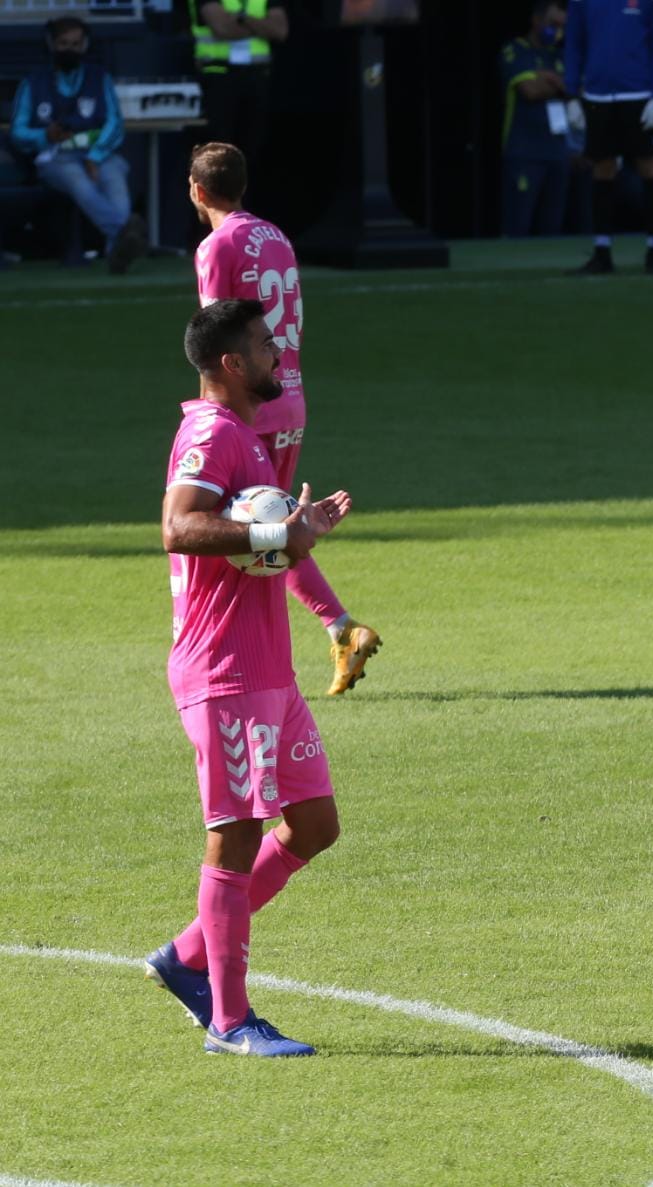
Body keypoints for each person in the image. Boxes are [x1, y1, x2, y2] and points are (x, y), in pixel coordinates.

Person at [143, 299, 351, 1057]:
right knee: (235, 837)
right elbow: (178, 525)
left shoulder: (248, 438)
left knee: (316, 825)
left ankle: (188, 955)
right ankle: (229, 1020)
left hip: (269, 670)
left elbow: (268, 548)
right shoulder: (209, 431)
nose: (277, 353)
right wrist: (273, 533)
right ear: (232, 363)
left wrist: (301, 539)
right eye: (265, 346)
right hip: (224, 671)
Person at [188, 142, 382, 696]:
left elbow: (216, 333)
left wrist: (212, 410)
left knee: (253, 528)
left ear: (198, 191)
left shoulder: (215, 246)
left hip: (249, 404)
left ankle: (310, 642)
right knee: (269, 524)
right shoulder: (276, 236)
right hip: (290, 392)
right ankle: (338, 630)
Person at [8, 16, 146, 273]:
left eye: (75, 43)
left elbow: (115, 123)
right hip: (55, 156)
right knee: (78, 181)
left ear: (84, 46)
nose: (69, 49)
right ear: (51, 45)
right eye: (63, 43)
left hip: (98, 154)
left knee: (115, 178)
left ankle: (117, 250)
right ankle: (123, 232)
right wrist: (44, 136)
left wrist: (95, 155)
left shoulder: (99, 78)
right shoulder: (33, 82)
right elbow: (17, 131)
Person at [564, 0, 653, 274]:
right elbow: (574, 42)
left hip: (638, 93)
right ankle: (602, 253)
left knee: (649, 166)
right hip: (597, 95)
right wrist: (571, 93)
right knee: (602, 168)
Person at [189, 1, 287, 176]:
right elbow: (222, 28)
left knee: (253, 148)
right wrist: (260, 25)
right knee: (218, 152)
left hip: (256, 77)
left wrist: (241, 18)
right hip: (218, 76)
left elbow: (280, 30)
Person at [500, 1, 572, 237]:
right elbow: (530, 90)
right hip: (525, 153)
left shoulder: (562, 55)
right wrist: (561, 84)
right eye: (553, 24)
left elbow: (578, 87)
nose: (557, 31)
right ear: (536, 20)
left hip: (558, 154)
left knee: (552, 228)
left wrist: (549, 79)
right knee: (518, 225)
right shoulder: (515, 50)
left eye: (562, 26)